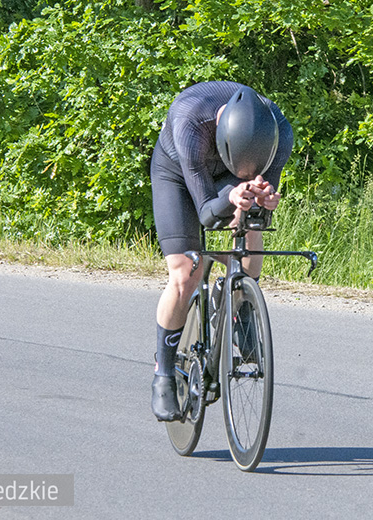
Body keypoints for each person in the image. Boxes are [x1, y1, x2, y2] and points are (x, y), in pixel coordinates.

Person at [149, 81, 293, 421]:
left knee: (251, 222)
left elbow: (261, 208)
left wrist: (262, 200)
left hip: (230, 173)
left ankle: (238, 301)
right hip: (178, 174)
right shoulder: (189, 120)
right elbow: (206, 214)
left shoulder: (280, 131)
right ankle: (163, 373)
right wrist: (230, 197)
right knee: (186, 273)